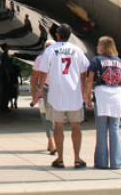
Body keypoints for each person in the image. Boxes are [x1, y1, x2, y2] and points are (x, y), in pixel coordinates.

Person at [31, 25, 89, 169]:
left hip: (56, 93)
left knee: (58, 126)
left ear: (57, 35)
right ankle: (77, 158)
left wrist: (38, 91)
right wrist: (85, 92)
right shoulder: (77, 50)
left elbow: (43, 72)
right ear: (70, 35)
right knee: (76, 126)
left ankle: (60, 159)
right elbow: (84, 72)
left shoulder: (50, 50)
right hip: (74, 93)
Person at [85, 36, 121, 169]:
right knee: (115, 130)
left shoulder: (96, 60)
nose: (97, 47)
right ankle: (116, 162)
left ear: (103, 46)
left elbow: (90, 80)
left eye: (99, 44)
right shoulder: (119, 61)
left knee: (101, 130)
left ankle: (101, 162)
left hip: (102, 94)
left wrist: (87, 96)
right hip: (116, 94)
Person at [30, 40, 56, 155]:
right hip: (43, 90)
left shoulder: (56, 59)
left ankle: (51, 140)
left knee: (52, 116)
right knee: (46, 116)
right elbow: (34, 78)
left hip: (55, 90)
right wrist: (34, 95)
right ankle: (51, 140)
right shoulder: (40, 59)